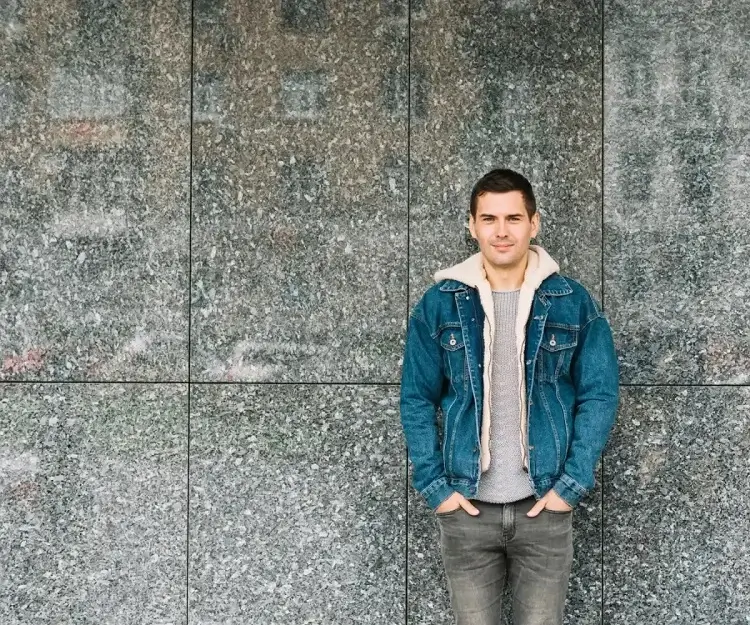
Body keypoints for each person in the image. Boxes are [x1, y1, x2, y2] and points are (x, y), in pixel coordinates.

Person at [399, 168, 619, 625]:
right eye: (489, 219)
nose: (501, 231)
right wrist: (437, 490)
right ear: (472, 225)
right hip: (467, 510)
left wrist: (569, 488)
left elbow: (599, 395)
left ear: (534, 224)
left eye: (513, 218)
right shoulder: (439, 304)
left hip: (543, 509)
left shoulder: (572, 301)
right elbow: (416, 398)